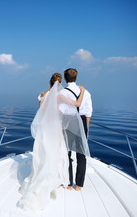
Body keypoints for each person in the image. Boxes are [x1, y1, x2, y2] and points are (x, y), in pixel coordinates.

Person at [17, 73, 86, 210]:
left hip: (44, 129)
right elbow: (77, 104)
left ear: (49, 82)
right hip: (54, 129)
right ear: (60, 84)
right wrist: (82, 91)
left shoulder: (42, 95)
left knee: (43, 154)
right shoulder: (59, 96)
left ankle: (42, 176)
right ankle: (56, 180)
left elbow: (41, 112)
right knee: (55, 154)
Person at [59, 68, 93, 191]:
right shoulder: (86, 92)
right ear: (76, 78)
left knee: (66, 152)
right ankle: (78, 185)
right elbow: (89, 112)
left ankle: (68, 183)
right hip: (82, 122)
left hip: (68, 121)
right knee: (81, 154)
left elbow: (61, 111)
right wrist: (85, 128)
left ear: (65, 78)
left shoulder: (62, 93)